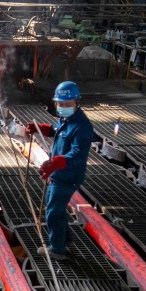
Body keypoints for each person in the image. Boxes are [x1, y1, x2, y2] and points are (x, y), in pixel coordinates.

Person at [25, 81, 94, 261]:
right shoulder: (66, 120)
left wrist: (57, 162)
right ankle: (65, 239)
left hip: (68, 176)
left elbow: (77, 154)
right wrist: (42, 128)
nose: (63, 107)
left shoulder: (82, 127)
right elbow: (56, 130)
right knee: (56, 207)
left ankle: (57, 249)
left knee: (53, 212)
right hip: (59, 174)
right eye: (60, 104)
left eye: (67, 104)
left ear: (76, 103)